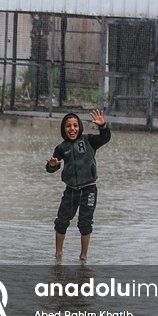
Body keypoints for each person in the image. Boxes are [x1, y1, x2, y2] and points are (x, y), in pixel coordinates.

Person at [45, 110, 110, 260]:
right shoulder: (62, 148)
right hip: (71, 190)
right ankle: (58, 254)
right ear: (64, 129)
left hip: (89, 190)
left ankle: (83, 257)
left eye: (75, 125)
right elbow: (50, 168)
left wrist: (103, 126)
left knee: (85, 223)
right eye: (68, 126)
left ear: (79, 127)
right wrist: (53, 165)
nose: (72, 129)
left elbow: (105, 138)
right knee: (61, 221)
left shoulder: (89, 140)